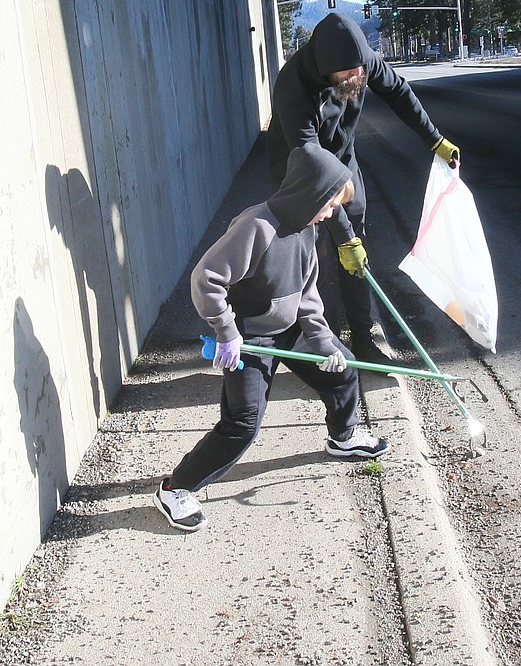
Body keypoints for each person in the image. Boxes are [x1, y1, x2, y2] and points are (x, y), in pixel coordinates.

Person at [156, 145, 391, 532]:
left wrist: (322, 340)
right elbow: (207, 278)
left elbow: (307, 291)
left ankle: (344, 437)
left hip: (290, 329)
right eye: (330, 204)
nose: (332, 214)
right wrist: (227, 331)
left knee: (342, 372)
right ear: (309, 193)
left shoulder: (307, 228)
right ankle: (174, 488)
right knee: (243, 423)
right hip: (251, 339)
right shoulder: (257, 226)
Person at [268, 12, 461, 363]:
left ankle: (362, 339)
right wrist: (343, 234)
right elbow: (311, 167)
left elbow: (399, 91)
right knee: (319, 257)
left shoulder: (359, 61)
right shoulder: (292, 87)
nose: (357, 77)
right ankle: (324, 345)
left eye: (360, 70)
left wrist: (435, 140)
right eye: (347, 74)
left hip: (343, 162)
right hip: (298, 171)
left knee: (357, 257)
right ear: (326, 69)